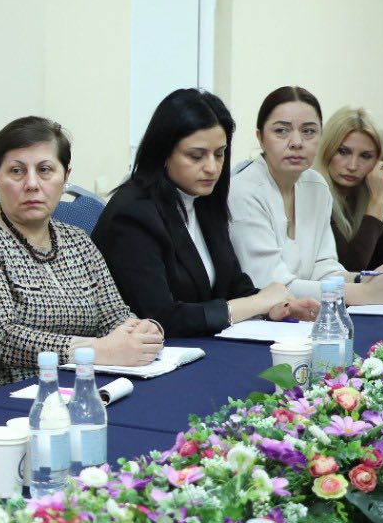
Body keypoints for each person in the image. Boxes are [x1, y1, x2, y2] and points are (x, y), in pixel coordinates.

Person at [0, 115, 162, 394]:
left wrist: (143, 331)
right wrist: (96, 351)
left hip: (76, 387)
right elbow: (3, 338)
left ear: (65, 177)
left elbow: (114, 316)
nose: (32, 184)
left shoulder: (78, 240)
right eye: (16, 171)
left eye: (45, 170)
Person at [92, 89, 318, 337]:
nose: (212, 167)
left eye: (219, 154)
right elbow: (160, 316)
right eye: (196, 156)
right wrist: (255, 303)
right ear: (163, 154)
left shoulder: (204, 199)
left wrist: (275, 308)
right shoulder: (132, 212)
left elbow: (233, 285)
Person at [228, 87, 383, 305]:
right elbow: (272, 288)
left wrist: (366, 279)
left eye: (308, 131)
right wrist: (365, 293)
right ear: (260, 138)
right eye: (281, 131)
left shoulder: (315, 185)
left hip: (303, 314)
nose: (296, 142)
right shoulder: (244, 190)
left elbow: (324, 269)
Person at [316, 107, 383, 272]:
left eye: (365, 156)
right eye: (343, 152)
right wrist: (377, 202)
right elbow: (349, 269)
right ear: (326, 149)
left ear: (379, 162)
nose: (352, 166)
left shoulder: (364, 193)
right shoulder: (314, 194)